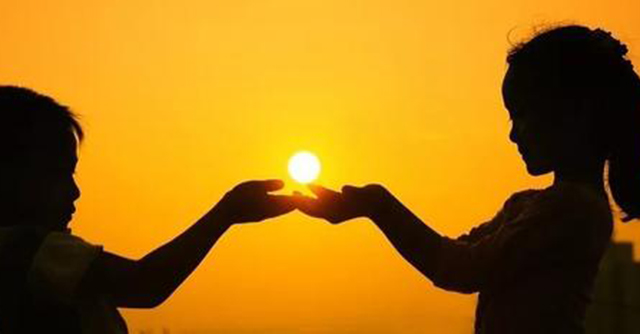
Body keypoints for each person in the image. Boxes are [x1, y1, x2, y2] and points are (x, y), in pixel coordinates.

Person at [294, 25, 640, 334]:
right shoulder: (542, 206)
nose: (513, 135)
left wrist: (377, 204)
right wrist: (373, 205)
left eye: (522, 115)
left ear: (575, 112)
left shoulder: (572, 209)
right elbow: (457, 253)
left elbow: (458, 268)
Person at [0, 86, 296, 333]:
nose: (73, 191)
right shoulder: (33, 250)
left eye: (71, 173)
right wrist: (227, 212)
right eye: (56, 173)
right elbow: (146, 284)